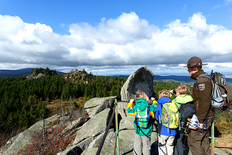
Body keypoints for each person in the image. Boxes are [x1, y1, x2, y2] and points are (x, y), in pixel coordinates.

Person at [184, 56, 213, 155]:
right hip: (205, 115)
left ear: (194, 68)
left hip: (203, 116)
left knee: (193, 141)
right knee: (204, 140)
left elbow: (205, 101)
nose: (188, 70)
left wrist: (200, 120)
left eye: (189, 68)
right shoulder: (203, 78)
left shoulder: (202, 81)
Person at [127, 90, 158, 155]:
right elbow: (156, 106)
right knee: (146, 145)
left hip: (138, 130)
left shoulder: (136, 107)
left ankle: (137, 153)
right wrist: (154, 100)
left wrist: (130, 103)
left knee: (137, 143)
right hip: (147, 130)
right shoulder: (149, 107)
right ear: (146, 99)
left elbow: (129, 111)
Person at [172, 84, 194, 155]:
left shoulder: (175, 101)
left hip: (176, 124)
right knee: (180, 141)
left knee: (175, 141)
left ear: (178, 93)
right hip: (185, 124)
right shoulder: (190, 99)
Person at [155, 90, 177, 155]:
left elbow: (156, 117)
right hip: (173, 130)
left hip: (163, 130)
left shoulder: (159, 105)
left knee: (162, 145)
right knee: (170, 146)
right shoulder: (173, 104)